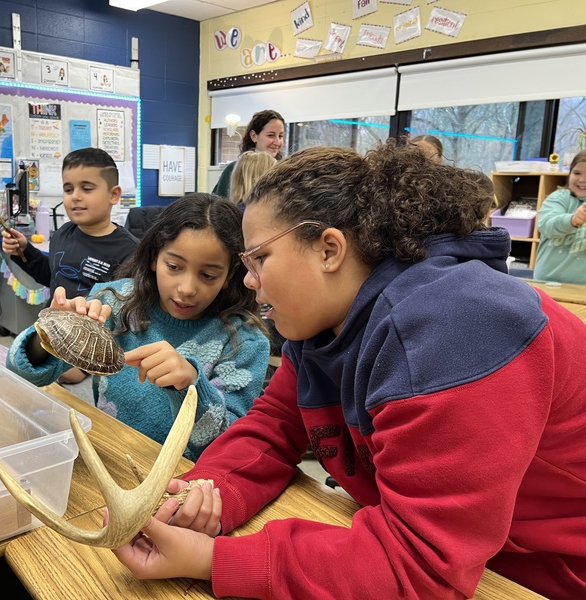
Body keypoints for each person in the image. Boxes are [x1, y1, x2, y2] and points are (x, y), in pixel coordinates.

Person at [111, 143, 586, 599]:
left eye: (258, 260)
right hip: (466, 554)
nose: (249, 282)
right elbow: (274, 426)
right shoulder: (321, 323)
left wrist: (215, 560)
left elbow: (419, 567)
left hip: (543, 574)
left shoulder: (458, 327)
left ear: (329, 249)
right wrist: (207, 493)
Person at [6, 193, 270, 459]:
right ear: (155, 258)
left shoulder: (244, 341)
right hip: (111, 459)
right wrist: (54, 334)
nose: (187, 288)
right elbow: (21, 372)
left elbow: (228, 445)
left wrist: (191, 384)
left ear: (230, 275)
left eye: (208, 275)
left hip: (185, 481)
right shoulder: (114, 302)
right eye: (174, 266)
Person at [2, 147, 138, 384]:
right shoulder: (63, 234)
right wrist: (25, 251)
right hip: (53, 332)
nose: (75, 196)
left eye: (87, 188)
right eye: (68, 189)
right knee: (23, 369)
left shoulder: (130, 251)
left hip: (92, 348)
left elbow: (129, 312)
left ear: (114, 195)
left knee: (60, 377)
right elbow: (51, 275)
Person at [533, 150, 586, 284]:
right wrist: (572, 220)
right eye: (576, 173)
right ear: (569, 174)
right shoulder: (559, 197)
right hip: (548, 283)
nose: (582, 180)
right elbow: (546, 225)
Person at [212, 109, 285, 198]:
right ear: (254, 136)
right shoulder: (233, 169)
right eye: (271, 135)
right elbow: (217, 206)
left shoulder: (285, 171)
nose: (277, 142)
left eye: (280, 136)